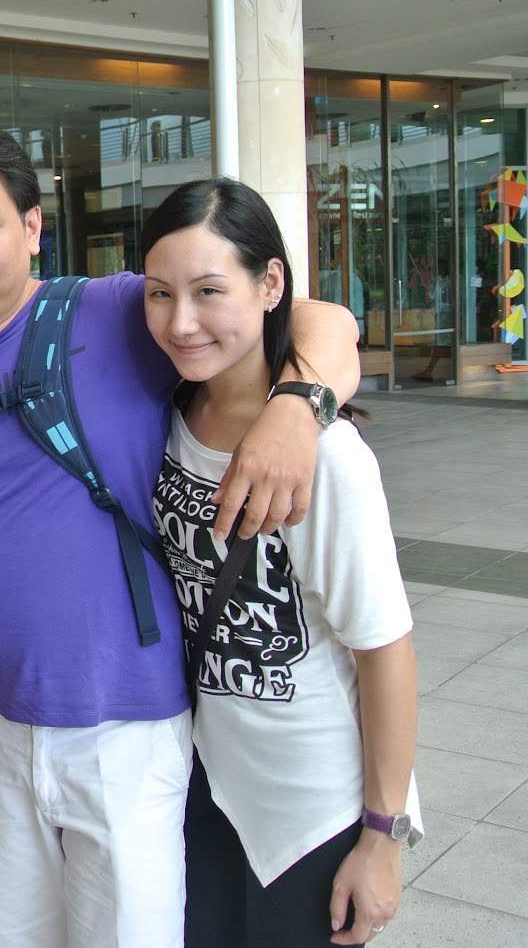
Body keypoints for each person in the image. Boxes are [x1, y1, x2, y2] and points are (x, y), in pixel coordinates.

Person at [0, 122, 364, 948]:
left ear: (32, 228)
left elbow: (323, 319)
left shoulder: (112, 309)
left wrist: (299, 407)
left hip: (128, 725)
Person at [142, 177, 419, 948]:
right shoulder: (166, 410)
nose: (181, 321)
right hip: (201, 783)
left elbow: (385, 648)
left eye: (209, 291)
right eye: (161, 294)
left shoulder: (328, 458)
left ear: (270, 284)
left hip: (311, 809)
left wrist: (383, 836)